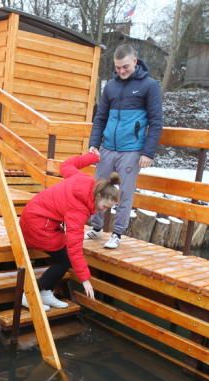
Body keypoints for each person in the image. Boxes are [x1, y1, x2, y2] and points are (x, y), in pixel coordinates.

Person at [19, 151, 120, 310]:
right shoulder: (78, 210)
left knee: (64, 256)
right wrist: (85, 278)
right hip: (37, 225)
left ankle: (45, 292)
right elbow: (74, 248)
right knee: (65, 259)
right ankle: (30, 295)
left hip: (40, 218)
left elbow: (66, 166)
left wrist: (91, 157)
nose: (103, 211)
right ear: (98, 195)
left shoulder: (84, 181)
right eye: (104, 206)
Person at [87, 44, 164, 249]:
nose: (121, 71)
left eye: (125, 67)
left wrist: (148, 152)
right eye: (118, 67)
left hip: (131, 149)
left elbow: (156, 121)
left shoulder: (150, 85)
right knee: (98, 187)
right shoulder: (110, 86)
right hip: (108, 147)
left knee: (125, 192)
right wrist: (94, 144)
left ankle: (118, 233)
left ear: (135, 62)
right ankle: (96, 227)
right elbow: (100, 117)